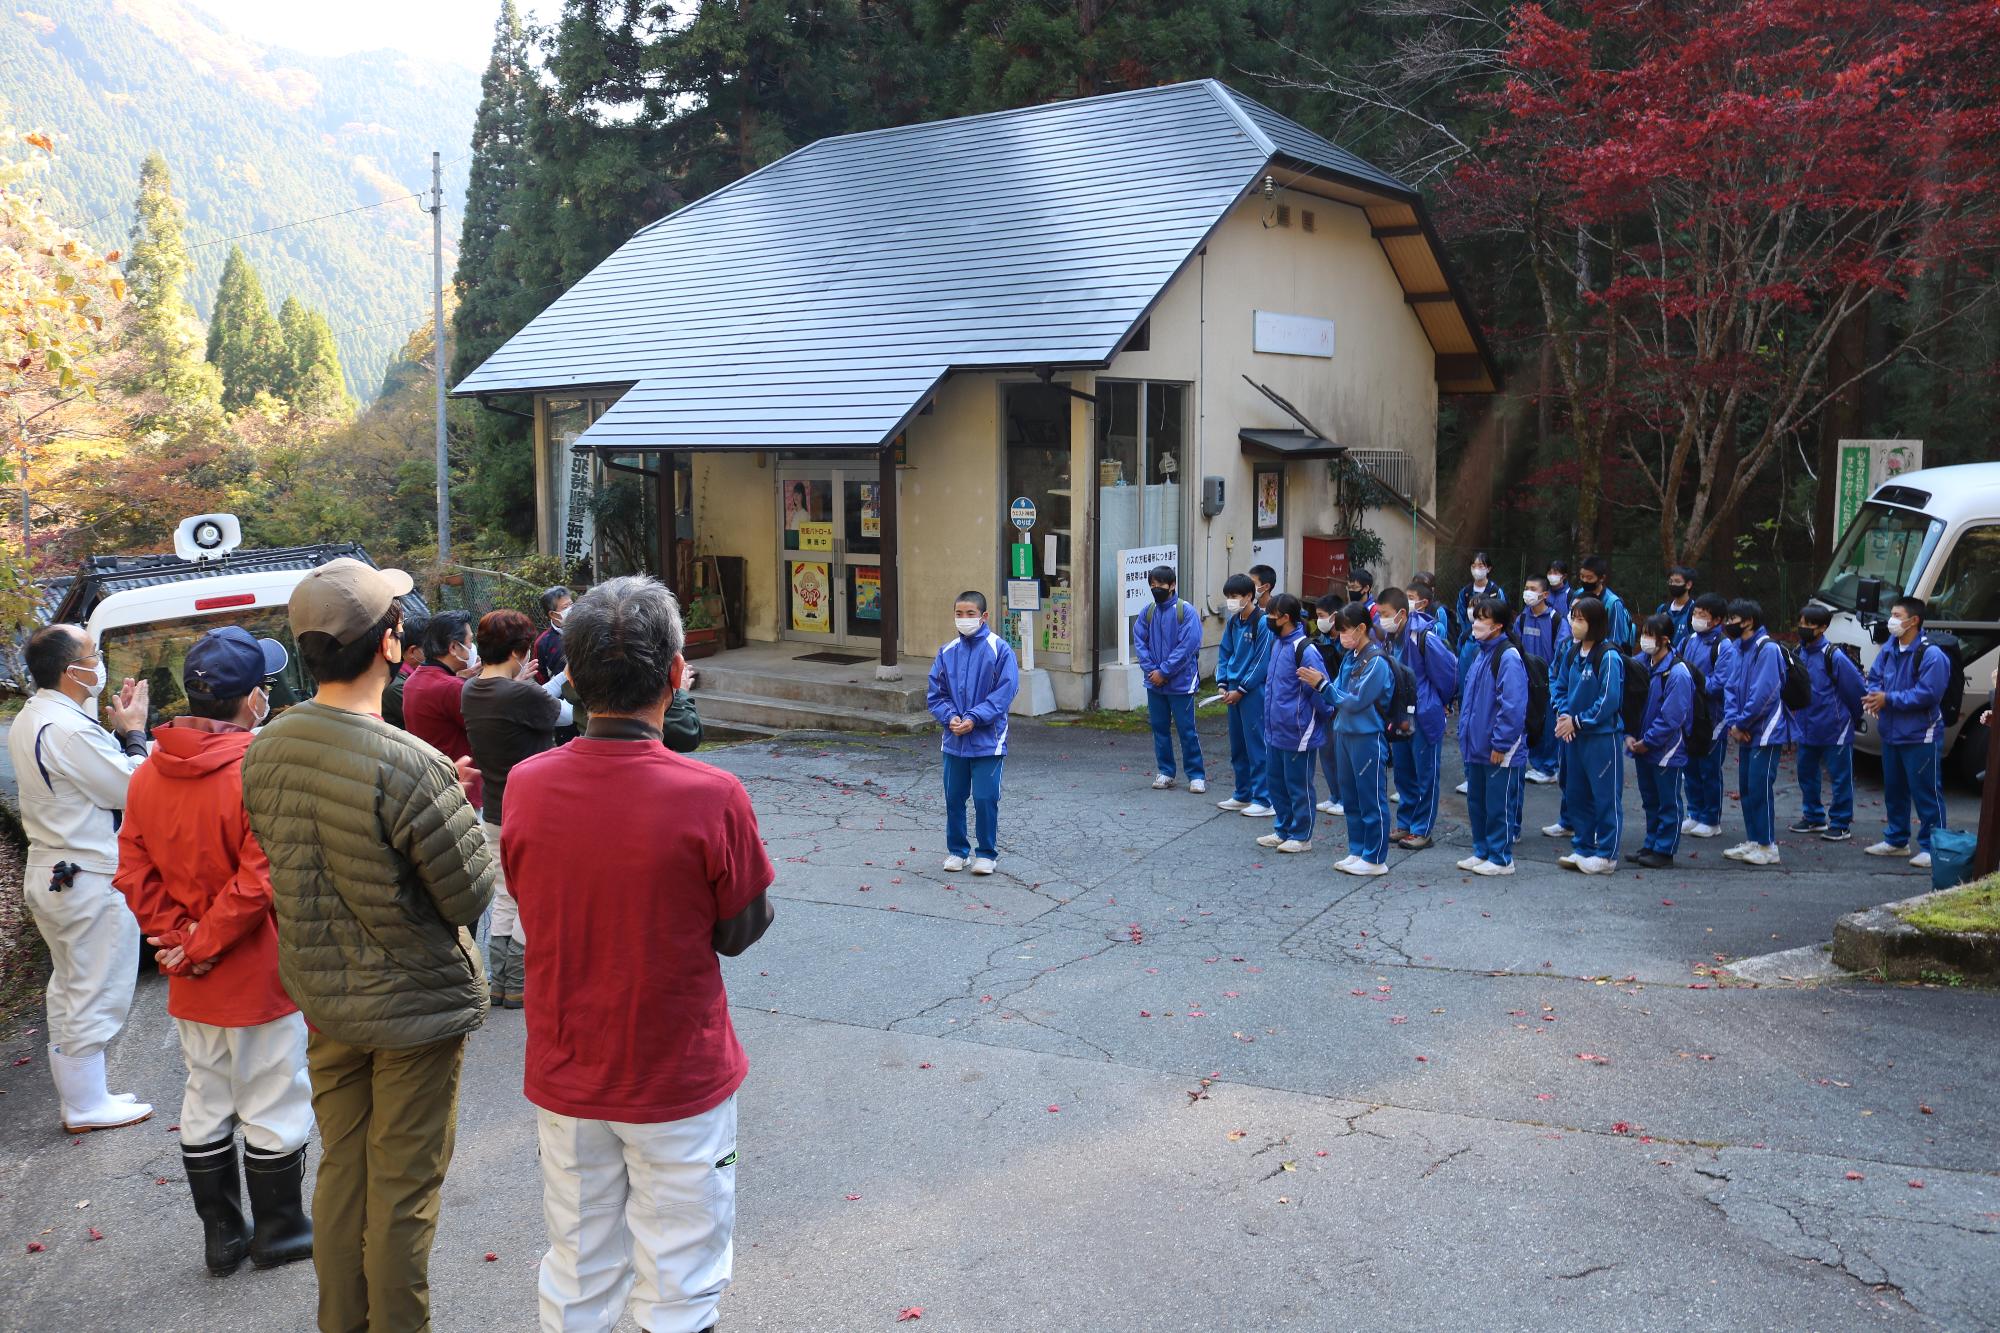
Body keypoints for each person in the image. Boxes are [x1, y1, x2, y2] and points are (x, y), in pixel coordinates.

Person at [503, 576, 775, 1333]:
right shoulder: (711, 792)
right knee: (683, 1271)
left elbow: (529, 898)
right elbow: (741, 926)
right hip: (677, 1069)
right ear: (676, 673)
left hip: (567, 1065)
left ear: (575, 677)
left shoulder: (526, 784)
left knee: (580, 1265)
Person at [241, 557, 495, 1333]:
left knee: (343, 1169)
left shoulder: (269, 745)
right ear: (391, 642)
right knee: (403, 1192)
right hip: (413, 1004)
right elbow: (468, 893)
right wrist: (452, 803)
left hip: (327, 995)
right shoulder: (410, 764)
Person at [113, 626, 313, 1276]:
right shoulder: (257, 770)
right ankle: (279, 1229)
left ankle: (222, 1236)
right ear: (252, 698)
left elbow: (133, 867)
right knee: (274, 1099)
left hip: (190, 978)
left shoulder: (147, 772)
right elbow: (261, 879)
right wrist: (199, 941)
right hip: (256, 972)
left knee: (205, 1097)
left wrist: (176, 941)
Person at [10, 625, 154, 1133]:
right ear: (72, 672)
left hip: (58, 870)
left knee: (72, 986)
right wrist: (135, 733)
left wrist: (119, 733)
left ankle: (85, 1098)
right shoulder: (67, 728)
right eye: (93, 656)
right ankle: (87, 1105)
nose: (100, 664)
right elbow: (131, 786)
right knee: (96, 986)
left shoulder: (40, 717)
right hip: (86, 875)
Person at [462, 609, 577, 1009]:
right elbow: (565, 713)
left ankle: (501, 984)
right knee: (534, 894)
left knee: (506, 895)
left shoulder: (470, 690)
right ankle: (520, 982)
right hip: (534, 810)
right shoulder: (519, 694)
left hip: (493, 808)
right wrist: (566, 680)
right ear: (517, 652)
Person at [926, 591, 1020, 874]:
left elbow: (1005, 692)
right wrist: (950, 717)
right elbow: (936, 694)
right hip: (954, 739)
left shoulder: (1000, 649)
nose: (964, 619)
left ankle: (987, 854)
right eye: (959, 614)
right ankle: (957, 851)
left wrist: (974, 718)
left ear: (984, 616)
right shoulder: (947, 651)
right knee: (954, 797)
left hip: (988, 740)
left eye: (970, 614)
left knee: (985, 798)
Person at [1862, 596, 1953, 870]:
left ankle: (1932, 846)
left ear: (1913, 620)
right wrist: (1874, 695)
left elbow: (1927, 694)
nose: (1891, 620)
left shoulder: (1931, 655)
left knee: (1926, 792)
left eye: (1897, 615)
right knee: (1895, 790)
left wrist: (1887, 699)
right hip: (1891, 733)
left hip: (1920, 735)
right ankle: (1897, 840)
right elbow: (1875, 676)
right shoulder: (1890, 647)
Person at [1377, 588, 1456, 850]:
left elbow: (1446, 673)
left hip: (1424, 713)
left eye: (1386, 615)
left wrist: (1441, 703)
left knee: (1426, 773)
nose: (1381, 620)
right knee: (1403, 772)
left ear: (1401, 613)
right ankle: (1406, 823)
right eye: (1379, 615)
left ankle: (1422, 829)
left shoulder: (1423, 637)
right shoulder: (1389, 637)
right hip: (1399, 714)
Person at [1553, 596, 1626, 874]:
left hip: (1600, 737)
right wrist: (1564, 717)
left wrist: (1578, 722)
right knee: (1576, 793)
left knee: (1605, 796)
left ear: (1594, 623)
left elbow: (1609, 700)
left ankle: (1607, 854)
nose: (1574, 623)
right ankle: (1582, 846)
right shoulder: (1572, 653)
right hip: (1573, 735)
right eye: (1573, 617)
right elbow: (1559, 687)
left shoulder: (1608, 655)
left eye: (1581, 619)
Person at [1719, 598, 1793, 866]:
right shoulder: (1739, 648)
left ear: (1748, 621)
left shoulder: (1768, 648)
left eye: (1732, 619)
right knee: (1747, 788)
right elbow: (1730, 686)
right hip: (1744, 729)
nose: (1728, 624)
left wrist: (1742, 724)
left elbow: (1765, 694)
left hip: (1765, 732)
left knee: (1760, 788)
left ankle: (1768, 845)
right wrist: (1733, 723)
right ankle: (1754, 840)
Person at [1457, 596, 1528, 875]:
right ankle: (1482, 850)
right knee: (1478, 801)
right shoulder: (1481, 653)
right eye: (1475, 617)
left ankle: (1501, 857)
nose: (1476, 623)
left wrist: (1500, 742)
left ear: (1498, 625)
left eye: (1482, 618)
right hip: (1476, 744)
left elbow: (1512, 706)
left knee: (1499, 804)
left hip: (1498, 747)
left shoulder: (1507, 656)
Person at [1256, 594, 1331, 854]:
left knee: (1299, 785)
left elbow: (1320, 690)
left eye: (1271, 615)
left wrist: (1325, 717)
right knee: (1277, 782)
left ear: (1285, 617)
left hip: (1299, 730)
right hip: (1276, 728)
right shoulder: (1277, 643)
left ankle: (1301, 835)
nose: (1267, 619)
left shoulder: (1305, 649)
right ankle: (1283, 829)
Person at [1788, 605, 1864, 842]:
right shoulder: (1798, 652)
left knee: (1840, 777)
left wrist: (1851, 718)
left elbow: (1857, 690)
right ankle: (1814, 817)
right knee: (1806, 773)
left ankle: (1841, 823)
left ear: (1823, 628)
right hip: (1806, 726)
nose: (1805, 628)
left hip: (1835, 727)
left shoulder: (1834, 656)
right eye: (1802, 622)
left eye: (1811, 624)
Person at [1627, 614, 1693, 868]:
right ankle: (1651, 843)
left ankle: (1664, 850)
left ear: (1665, 639)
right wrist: (1631, 734)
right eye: (1643, 633)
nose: (1644, 640)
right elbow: (1631, 703)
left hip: (1666, 748)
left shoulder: (1677, 673)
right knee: (1650, 799)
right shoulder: (1640, 664)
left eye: (1650, 635)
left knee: (1667, 800)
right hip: (1642, 744)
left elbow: (1672, 717)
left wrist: (1649, 740)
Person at [403, 609, 484, 812]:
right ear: (454, 647)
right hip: (466, 788)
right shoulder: (451, 687)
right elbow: (486, 729)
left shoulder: (415, 679)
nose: (472, 647)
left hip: (437, 782)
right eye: (469, 641)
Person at [1134, 564, 1205, 793]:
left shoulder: (1187, 612)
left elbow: (1188, 646)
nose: (1156, 589)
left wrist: (1163, 671)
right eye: (1152, 585)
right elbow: (1139, 642)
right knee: (1159, 728)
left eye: (1160, 585)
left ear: (1172, 585)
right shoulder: (1148, 612)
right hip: (1154, 682)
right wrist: (1151, 670)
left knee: (1187, 730)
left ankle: (1196, 775)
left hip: (1181, 683)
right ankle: (1166, 772)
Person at [1214, 574, 1274, 818]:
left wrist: (1241, 688)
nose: (1231, 601)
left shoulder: (1262, 622)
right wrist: (1222, 683)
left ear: (1249, 596)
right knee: (1238, 745)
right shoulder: (1234, 620)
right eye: (1228, 597)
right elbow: (1225, 651)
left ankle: (1264, 798)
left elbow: (1261, 662)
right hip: (1233, 689)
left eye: (1235, 596)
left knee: (1257, 744)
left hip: (1252, 691)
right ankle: (1242, 793)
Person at [1676, 593, 1731, 838]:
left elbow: (1719, 683)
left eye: (1703, 615)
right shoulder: (1688, 641)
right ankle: (1695, 812)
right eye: (1696, 613)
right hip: (1689, 715)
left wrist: (1690, 685)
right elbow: (1675, 663)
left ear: (1717, 620)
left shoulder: (1724, 646)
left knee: (1709, 768)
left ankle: (1711, 819)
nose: (1696, 618)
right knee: (1691, 767)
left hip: (1713, 717)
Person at [1515, 576, 1569, 783]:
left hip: (1547, 681)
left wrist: (1554, 679)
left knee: (1548, 723)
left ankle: (1549, 767)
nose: (1528, 592)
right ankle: (1536, 763)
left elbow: (1561, 651)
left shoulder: (1556, 620)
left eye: (1532, 589)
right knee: (1530, 721)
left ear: (1545, 594)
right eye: (1526, 588)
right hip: (1526, 679)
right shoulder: (1522, 618)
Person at [1309, 592, 1348, 818]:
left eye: (1322, 616)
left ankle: (1345, 797)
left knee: (1339, 752)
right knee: (1326, 751)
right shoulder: (1322, 640)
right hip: (1324, 699)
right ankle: (1334, 795)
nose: (1319, 620)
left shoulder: (1345, 640)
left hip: (1340, 701)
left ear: (1334, 616)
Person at [382, 612, 428, 732]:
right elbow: (430, 721)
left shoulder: (403, 674)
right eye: (430, 647)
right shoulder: (398, 686)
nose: (437, 651)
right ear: (412, 651)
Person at [1577, 556, 1633, 649]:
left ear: (1602, 578)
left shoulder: (1613, 603)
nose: (1585, 581)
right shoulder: (1577, 594)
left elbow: (1615, 640)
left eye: (1589, 578)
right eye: (1582, 576)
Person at [1454, 551, 1506, 644]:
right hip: (1469, 639)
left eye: (1481, 566)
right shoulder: (1465, 592)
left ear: (1488, 569)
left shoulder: (1496, 592)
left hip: (1490, 638)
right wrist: (1468, 634)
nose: (1476, 569)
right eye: (1473, 566)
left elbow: (1502, 615)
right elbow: (1461, 616)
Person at [533, 585, 572, 681]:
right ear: (552, 614)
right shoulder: (542, 643)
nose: (571, 609)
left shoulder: (586, 629)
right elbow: (540, 674)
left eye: (571, 604)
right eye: (565, 607)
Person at [1658, 566, 1698, 645]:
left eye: (1677, 581)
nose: (1672, 584)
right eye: (1670, 581)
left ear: (1688, 585)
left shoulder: (1695, 611)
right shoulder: (1662, 609)